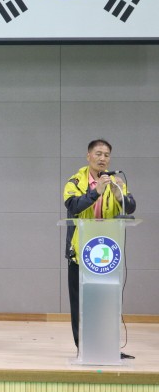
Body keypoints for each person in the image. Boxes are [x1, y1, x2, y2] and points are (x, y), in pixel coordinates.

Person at [64, 139, 136, 348]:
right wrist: (96, 192)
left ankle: (107, 346)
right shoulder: (75, 181)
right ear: (88, 156)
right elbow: (73, 206)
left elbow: (131, 208)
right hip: (80, 252)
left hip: (107, 253)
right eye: (98, 154)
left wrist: (120, 196)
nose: (102, 158)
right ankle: (83, 347)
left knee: (106, 300)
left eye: (106, 155)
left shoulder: (116, 182)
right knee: (79, 302)